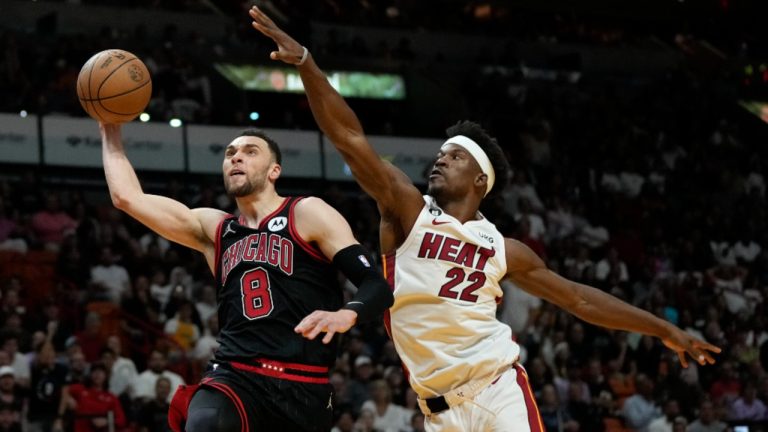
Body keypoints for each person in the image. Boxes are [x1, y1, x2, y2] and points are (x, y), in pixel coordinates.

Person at [250, 7, 722, 431]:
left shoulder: (504, 248)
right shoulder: (407, 210)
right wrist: (309, 65)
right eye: (440, 153)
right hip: (438, 411)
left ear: (480, 180)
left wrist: (663, 329)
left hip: (499, 391)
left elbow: (581, 300)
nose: (439, 160)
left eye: (454, 157)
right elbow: (350, 137)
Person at [99, 111, 392, 430]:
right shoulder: (214, 229)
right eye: (230, 153)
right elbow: (127, 197)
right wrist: (109, 128)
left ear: (274, 170)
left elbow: (375, 285)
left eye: (250, 152)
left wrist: (346, 314)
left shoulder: (306, 212)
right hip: (233, 375)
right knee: (205, 422)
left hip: (303, 386)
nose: (236, 157)